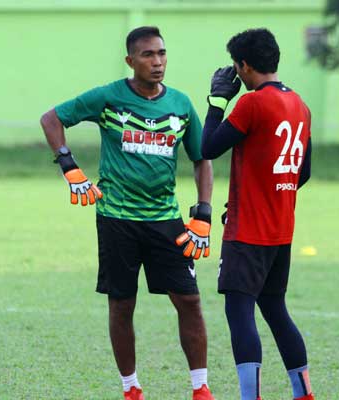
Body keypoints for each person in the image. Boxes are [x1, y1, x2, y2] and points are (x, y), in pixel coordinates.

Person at [40, 26, 215, 400]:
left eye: (162, 54)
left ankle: (200, 387)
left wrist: (203, 212)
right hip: (117, 217)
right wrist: (70, 168)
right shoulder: (108, 97)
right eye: (148, 55)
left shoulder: (181, 104)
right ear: (130, 60)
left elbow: (202, 158)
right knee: (122, 304)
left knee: (190, 300)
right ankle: (130, 388)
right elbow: (51, 119)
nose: (158, 62)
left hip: (166, 220)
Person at [201, 28, 314, 400]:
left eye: (236, 67)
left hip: (247, 231)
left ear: (245, 66)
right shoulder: (300, 105)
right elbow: (304, 172)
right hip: (281, 230)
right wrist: (270, 194)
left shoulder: (251, 104)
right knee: (275, 309)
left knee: (240, 312)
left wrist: (217, 101)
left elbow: (208, 148)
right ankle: (304, 393)